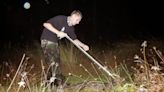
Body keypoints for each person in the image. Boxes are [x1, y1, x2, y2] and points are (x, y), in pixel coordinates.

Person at [40, 10, 89, 87]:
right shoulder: (61, 18)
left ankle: (48, 83)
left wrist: (83, 45)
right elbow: (45, 24)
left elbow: (74, 40)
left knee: (53, 62)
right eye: (77, 20)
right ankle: (60, 84)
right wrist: (58, 32)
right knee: (54, 63)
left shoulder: (70, 28)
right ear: (73, 16)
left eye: (79, 21)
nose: (78, 22)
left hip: (54, 43)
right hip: (47, 40)